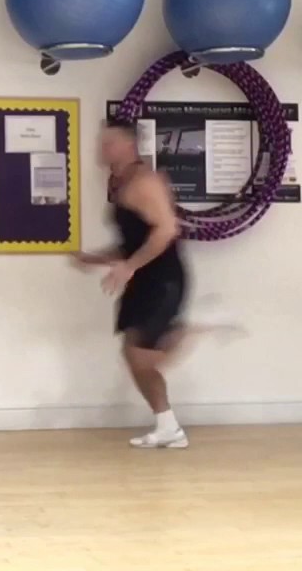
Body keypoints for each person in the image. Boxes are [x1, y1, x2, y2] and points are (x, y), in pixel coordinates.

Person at [70, 119, 208, 449]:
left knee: (139, 357)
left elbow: (166, 230)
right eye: (101, 143)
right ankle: (168, 427)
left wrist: (128, 267)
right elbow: (134, 241)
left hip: (163, 279)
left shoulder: (146, 182)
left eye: (109, 143)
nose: (102, 149)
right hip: (144, 277)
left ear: (129, 145)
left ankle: (190, 332)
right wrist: (95, 259)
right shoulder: (121, 184)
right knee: (133, 354)